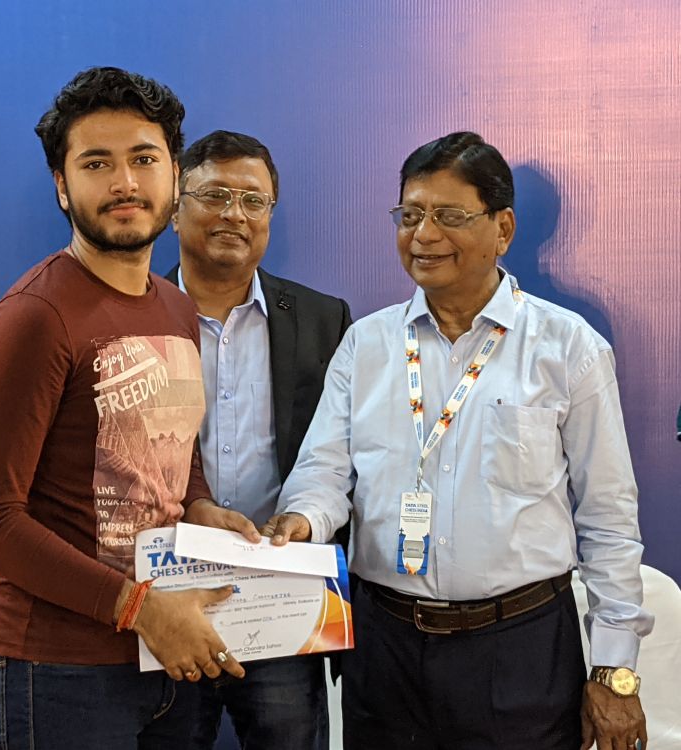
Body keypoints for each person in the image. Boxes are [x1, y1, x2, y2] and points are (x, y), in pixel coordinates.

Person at [265, 132, 653, 750]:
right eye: (410, 215)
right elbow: (325, 471)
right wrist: (303, 519)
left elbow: (608, 517)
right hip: (386, 650)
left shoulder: (567, 348)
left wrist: (613, 669)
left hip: (520, 647)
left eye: (449, 216)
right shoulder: (366, 344)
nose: (424, 235)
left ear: (503, 229)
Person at [0, 67, 260, 750]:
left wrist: (200, 505)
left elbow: (169, 448)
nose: (125, 182)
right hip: (57, 668)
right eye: (97, 163)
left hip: (163, 654)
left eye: (144, 159)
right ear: (62, 186)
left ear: (174, 175)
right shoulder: (35, 317)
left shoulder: (175, 307)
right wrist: (138, 609)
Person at [165, 129, 351, 750]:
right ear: (174, 208)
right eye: (215, 195)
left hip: (281, 596)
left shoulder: (324, 319)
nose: (234, 214)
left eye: (253, 200)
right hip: (169, 594)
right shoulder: (133, 315)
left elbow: (342, 453)